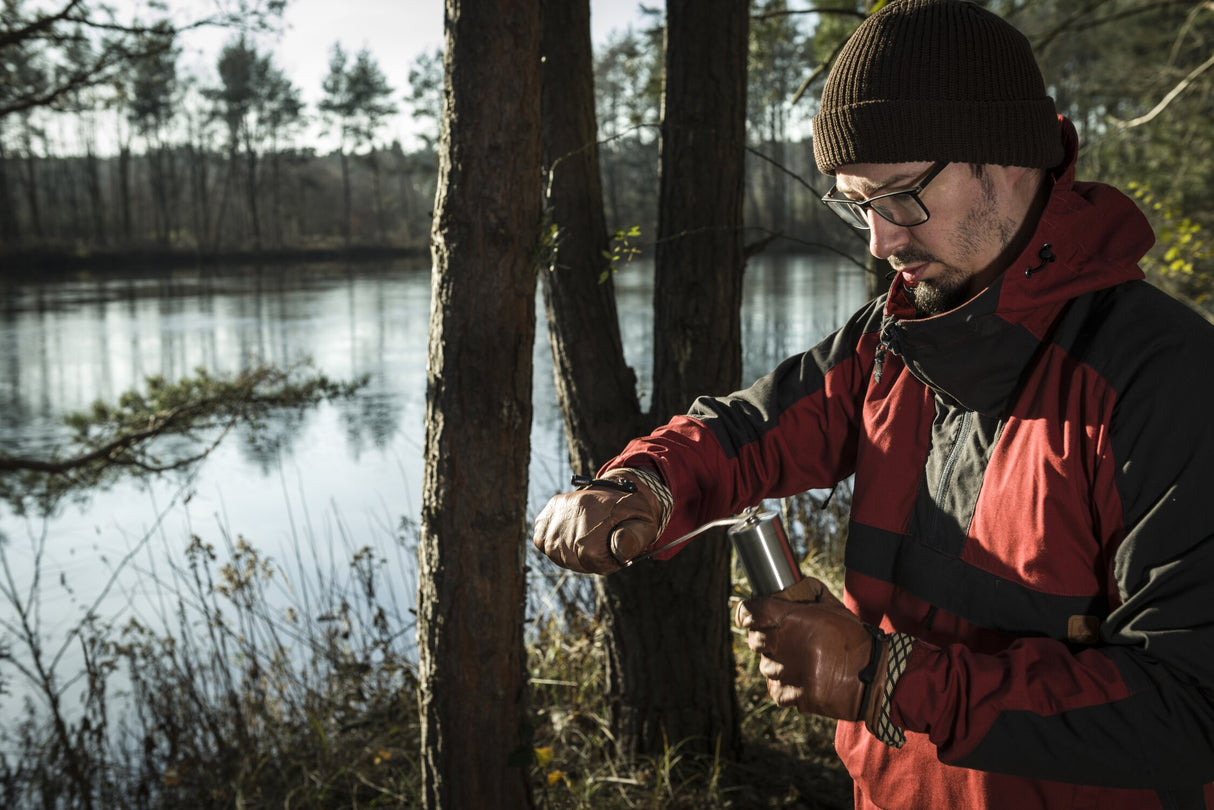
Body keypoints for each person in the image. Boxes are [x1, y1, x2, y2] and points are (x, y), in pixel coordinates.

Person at [532, 0, 1214, 807]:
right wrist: (640, 483)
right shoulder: (893, 340)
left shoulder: (1163, 377)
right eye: (859, 205)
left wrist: (884, 678)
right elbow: (748, 431)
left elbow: (1189, 710)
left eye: (899, 198)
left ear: (1006, 157)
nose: (879, 243)